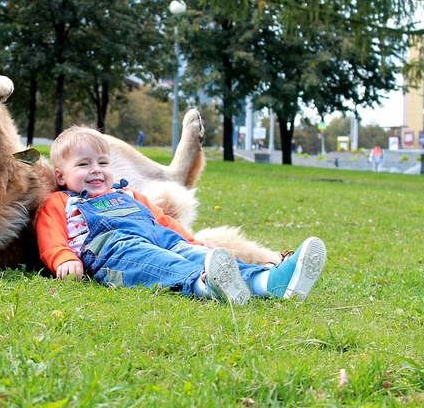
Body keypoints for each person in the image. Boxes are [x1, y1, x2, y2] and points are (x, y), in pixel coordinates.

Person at [36, 126, 327, 305]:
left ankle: (270, 281)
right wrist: (64, 260)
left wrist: (191, 242)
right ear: (61, 176)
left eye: (102, 162)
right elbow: (51, 239)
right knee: (161, 263)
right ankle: (204, 284)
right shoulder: (61, 201)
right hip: (115, 251)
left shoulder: (130, 195)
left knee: (190, 253)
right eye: (84, 164)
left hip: (161, 239)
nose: (96, 169)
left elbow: (162, 222)